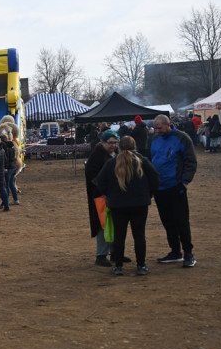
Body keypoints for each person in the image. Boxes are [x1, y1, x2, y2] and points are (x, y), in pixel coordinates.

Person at [93, 136, 160, 276]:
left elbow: (99, 182)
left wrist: (110, 194)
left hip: (118, 204)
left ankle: (118, 266)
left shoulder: (111, 163)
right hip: (139, 204)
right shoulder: (142, 161)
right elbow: (156, 179)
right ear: (134, 146)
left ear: (119, 146)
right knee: (139, 235)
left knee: (119, 235)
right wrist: (148, 194)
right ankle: (141, 265)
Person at [150, 114, 198, 268]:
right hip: (159, 188)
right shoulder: (154, 139)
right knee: (167, 221)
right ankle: (175, 251)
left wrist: (185, 181)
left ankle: (188, 253)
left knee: (181, 220)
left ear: (168, 124)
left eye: (160, 128)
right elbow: (151, 160)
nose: (157, 131)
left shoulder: (182, 138)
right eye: (155, 128)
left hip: (176, 186)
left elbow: (191, 161)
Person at [85, 130, 119, 267]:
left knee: (116, 225)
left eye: (115, 143)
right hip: (100, 197)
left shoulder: (116, 154)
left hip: (115, 195)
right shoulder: (97, 156)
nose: (113, 145)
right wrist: (104, 188)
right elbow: (92, 176)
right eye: (110, 143)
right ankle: (101, 255)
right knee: (103, 226)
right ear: (103, 143)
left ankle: (116, 252)